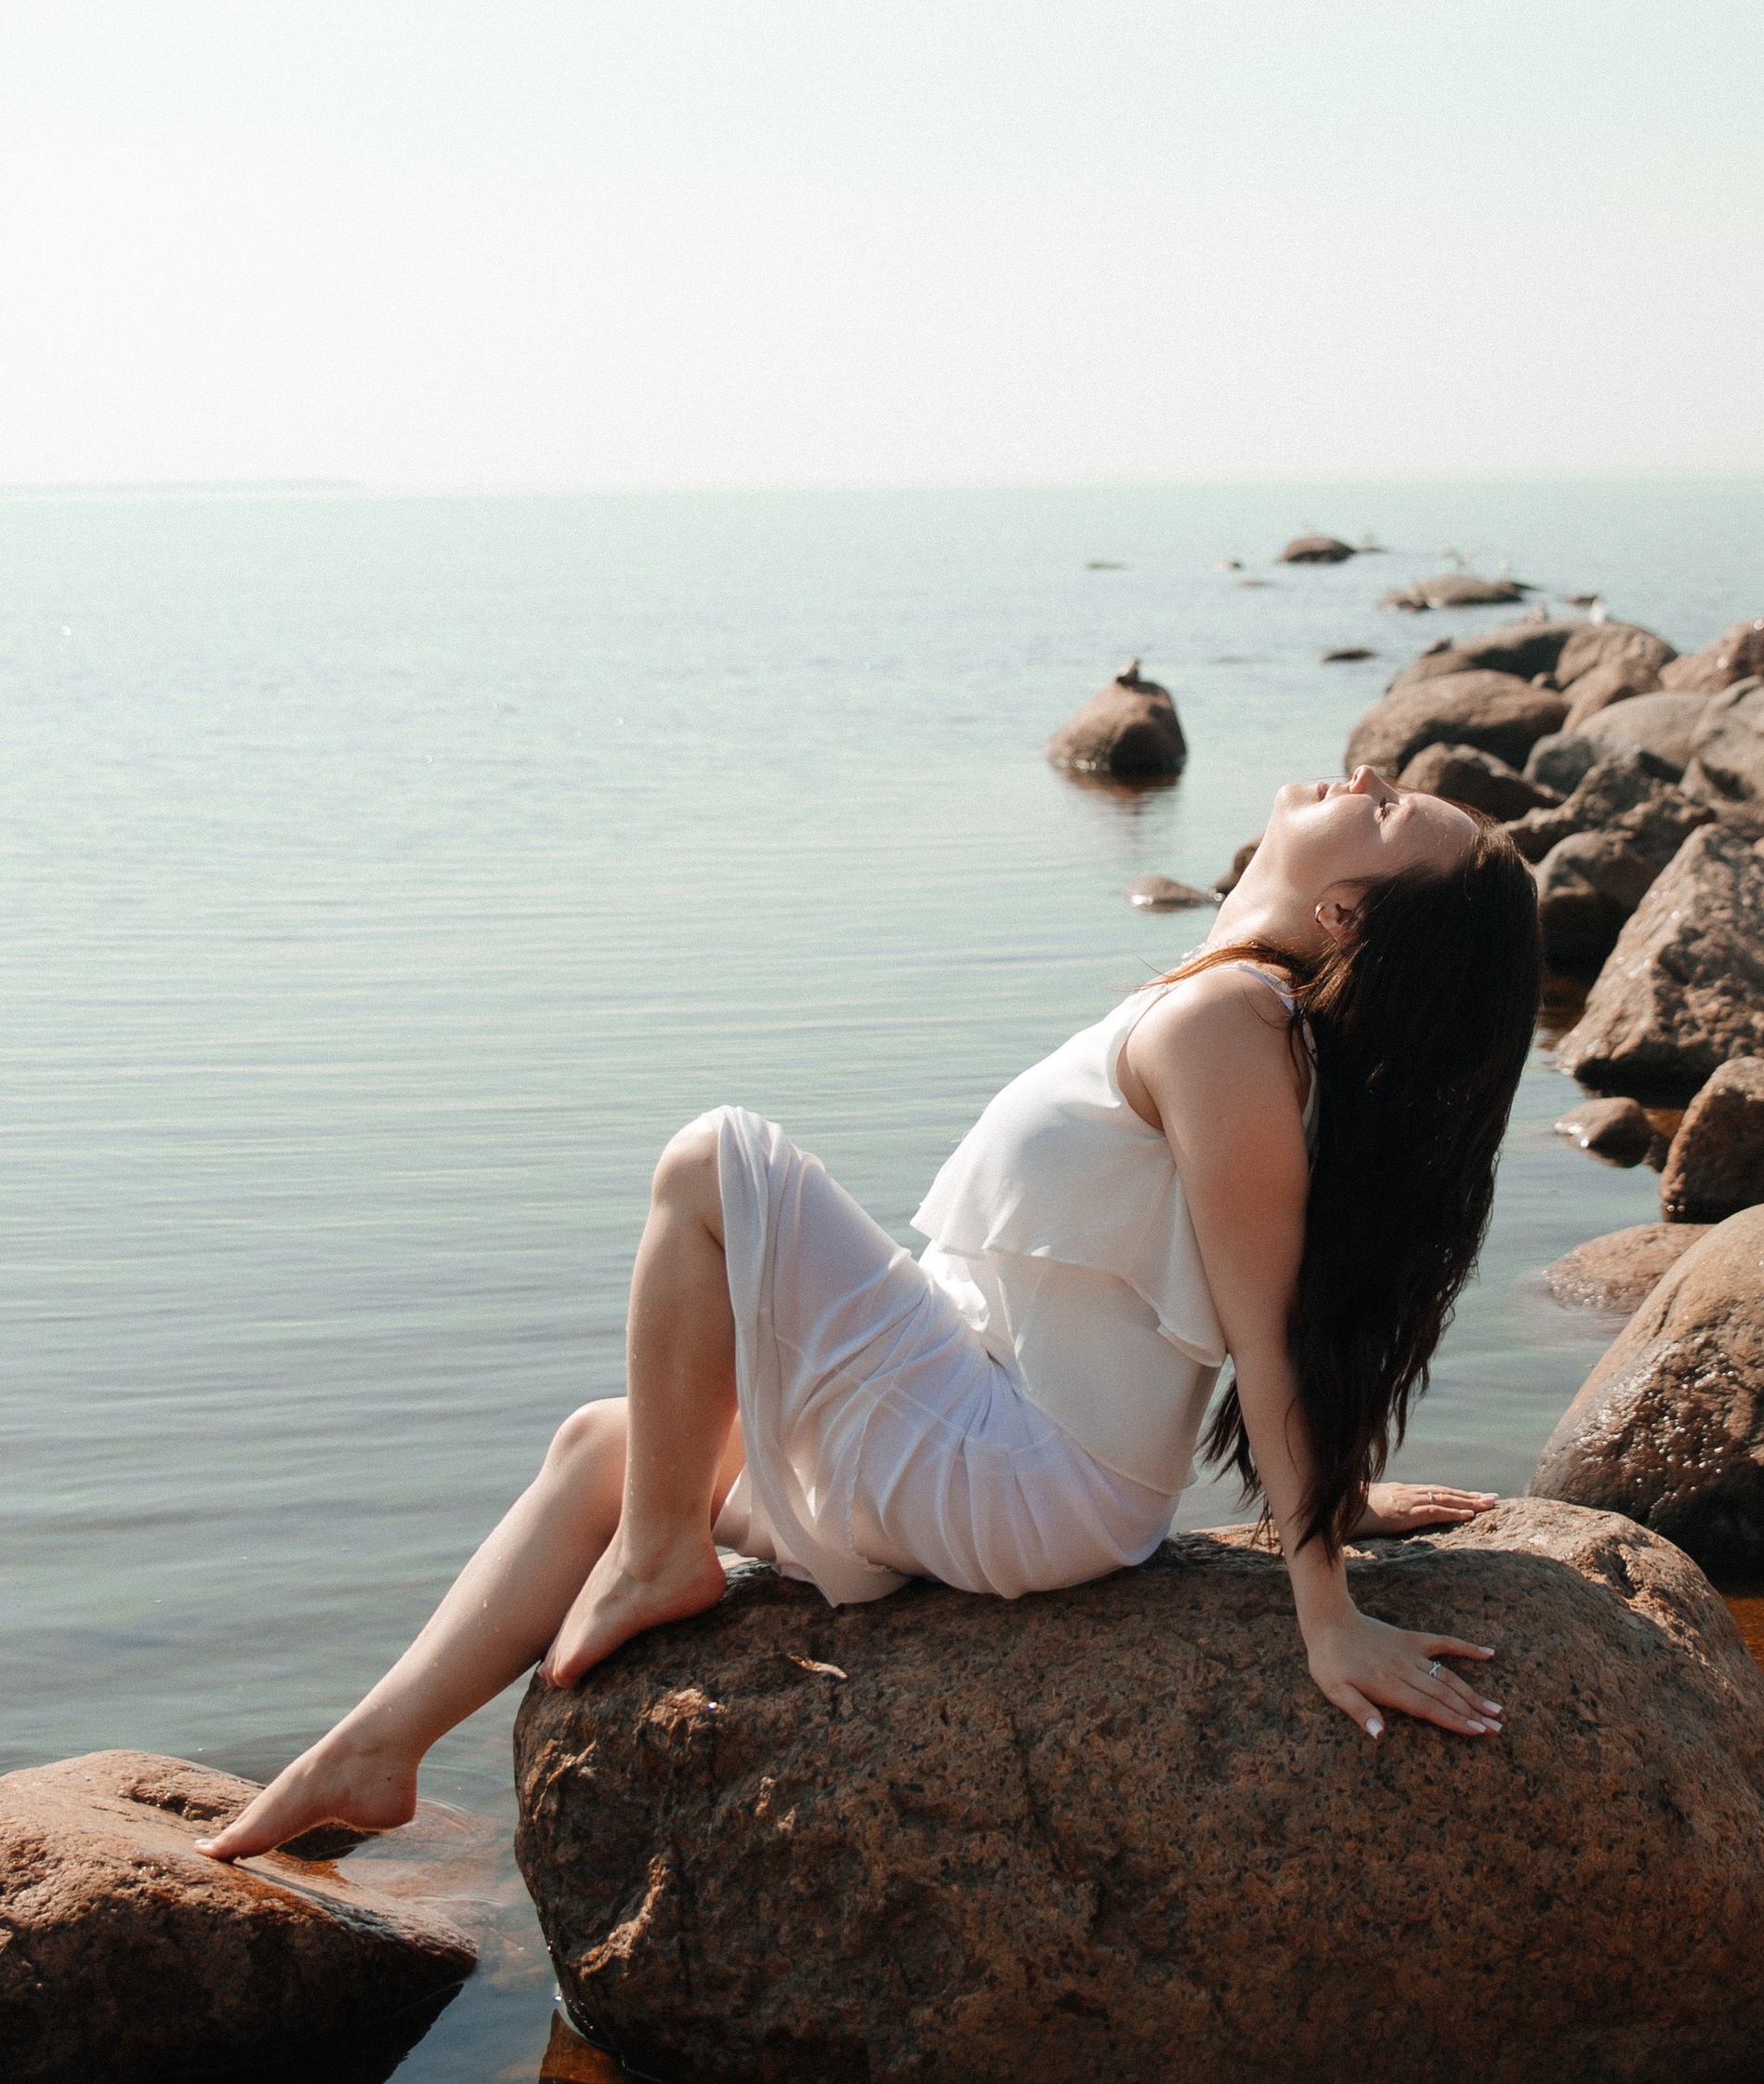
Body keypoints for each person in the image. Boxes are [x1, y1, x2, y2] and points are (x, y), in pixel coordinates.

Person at [204, 767, 1543, 1864]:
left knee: (707, 1162)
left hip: (1025, 1468)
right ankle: (375, 1753)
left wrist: (1326, 1608)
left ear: (1352, 918)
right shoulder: (1234, 1014)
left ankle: (662, 1554)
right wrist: (1340, 1498)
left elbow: (1270, 1327)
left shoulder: (1229, 1031)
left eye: (1381, 813)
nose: (1364, 776)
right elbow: (1289, 1300)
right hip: (988, 1409)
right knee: (605, 1443)